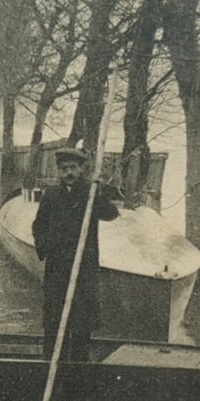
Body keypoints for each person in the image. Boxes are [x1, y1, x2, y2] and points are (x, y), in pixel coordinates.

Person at [31, 148, 120, 363]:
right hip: (58, 268)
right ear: (59, 171)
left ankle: (80, 368)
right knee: (54, 318)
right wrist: (48, 247)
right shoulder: (51, 195)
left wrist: (99, 192)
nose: (68, 172)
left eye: (73, 168)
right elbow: (38, 227)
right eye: (64, 169)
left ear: (81, 169)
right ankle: (51, 363)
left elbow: (111, 214)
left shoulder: (91, 193)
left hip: (84, 268)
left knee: (82, 319)